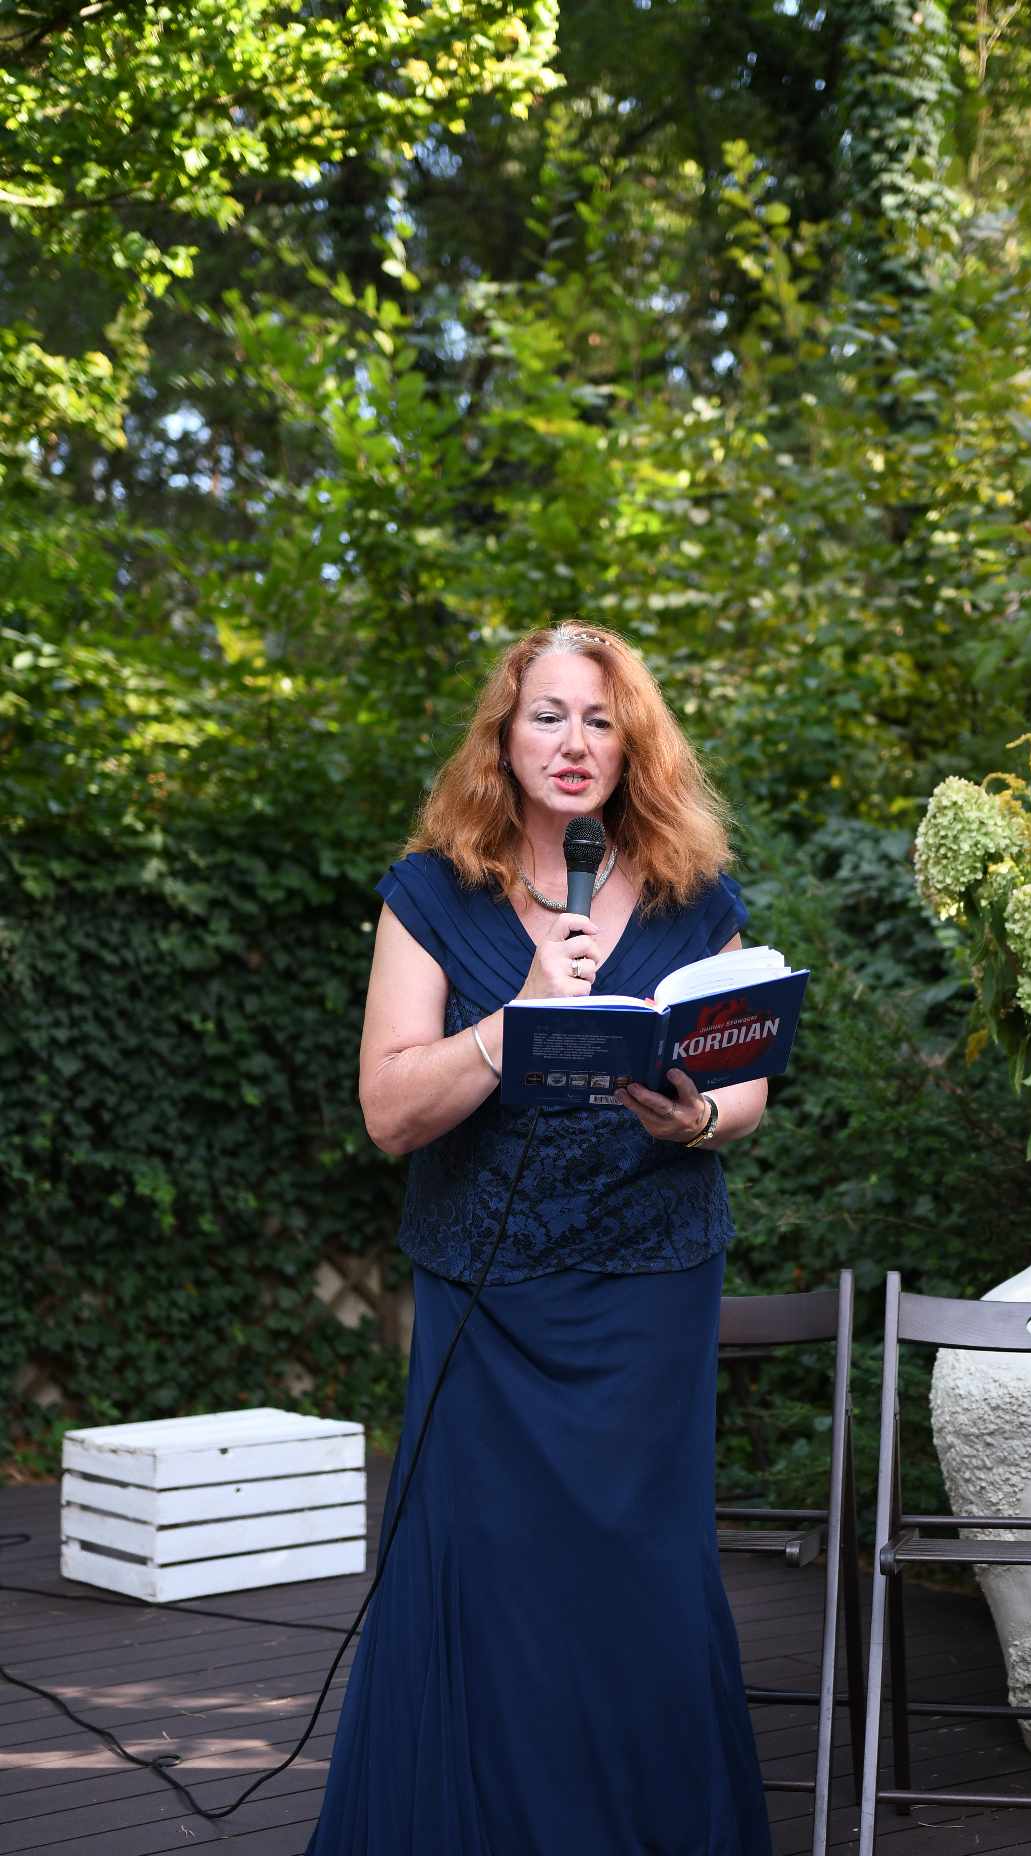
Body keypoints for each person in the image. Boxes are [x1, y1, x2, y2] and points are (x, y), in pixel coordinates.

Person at [305, 622, 773, 1856]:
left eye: (600, 720)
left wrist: (699, 1114)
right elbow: (389, 1109)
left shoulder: (691, 894)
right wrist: (508, 1023)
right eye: (549, 715)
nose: (574, 742)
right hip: (488, 1291)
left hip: (649, 1286)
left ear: (633, 746)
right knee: (490, 1572)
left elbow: (745, 1086)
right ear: (504, 737)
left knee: (640, 1575)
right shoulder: (430, 893)